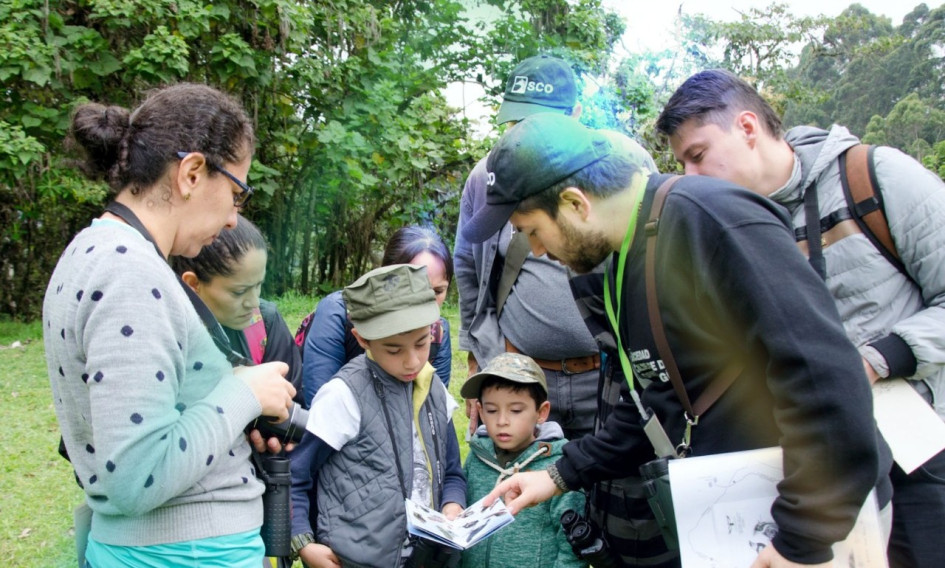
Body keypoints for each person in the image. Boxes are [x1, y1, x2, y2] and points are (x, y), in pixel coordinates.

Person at [464, 113, 884, 567]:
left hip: (802, 526)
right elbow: (655, 403)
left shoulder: (709, 220)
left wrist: (803, 539)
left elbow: (825, 377)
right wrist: (560, 475)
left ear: (575, 204)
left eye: (532, 232)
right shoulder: (614, 264)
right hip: (727, 518)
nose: (539, 251)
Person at [655, 68, 945, 568]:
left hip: (914, 450)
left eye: (698, 155)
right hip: (806, 464)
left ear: (747, 127)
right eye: (681, 163)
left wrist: (875, 360)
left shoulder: (874, 178)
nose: (690, 176)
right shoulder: (716, 226)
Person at [44, 84, 297, 567]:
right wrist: (244, 394)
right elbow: (137, 474)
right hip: (185, 553)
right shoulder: (129, 272)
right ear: (192, 173)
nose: (231, 221)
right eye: (237, 195)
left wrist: (230, 412)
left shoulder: (95, 251)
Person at [455, 54, 601, 441]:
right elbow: (469, 267)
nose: (528, 133)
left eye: (542, 120)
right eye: (520, 121)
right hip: (519, 378)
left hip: (602, 377)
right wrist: (476, 359)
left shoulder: (612, 174)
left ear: (576, 114)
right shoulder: (486, 175)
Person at [288, 264, 466, 568]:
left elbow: (451, 472)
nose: (412, 361)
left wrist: (453, 505)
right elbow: (296, 475)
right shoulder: (343, 397)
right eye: (394, 350)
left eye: (421, 343)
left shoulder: (434, 388)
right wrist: (303, 542)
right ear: (362, 340)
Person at [300, 225, 453, 406]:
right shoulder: (336, 315)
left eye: (438, 291)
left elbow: (433, 410)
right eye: (416, 287)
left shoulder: (438, 332)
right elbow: (319, 407)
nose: (426, 301)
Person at [460, 352, 587, 568]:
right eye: (491, 410)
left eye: (516, 410)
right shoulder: (476, 457)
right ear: (480, 410)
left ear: (542, 412)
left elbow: (572, 548)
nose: (502, 421)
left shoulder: (559, 469)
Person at [171, 213, 304, 405]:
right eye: (239, 291)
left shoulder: (265, 321)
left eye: (258, 285)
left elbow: (293, 404)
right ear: (193, 284)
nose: (254, 303)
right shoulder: (167, 336)